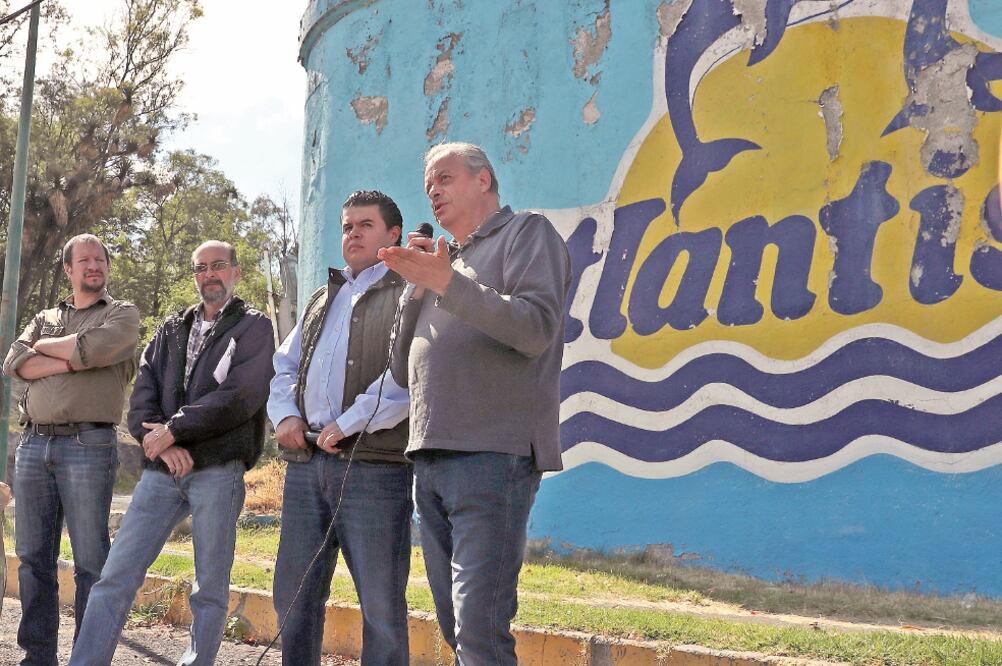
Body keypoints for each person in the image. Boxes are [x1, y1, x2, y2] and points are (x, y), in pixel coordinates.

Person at [379, 142, 571, 665]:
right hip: (430, 455)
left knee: (480, 627)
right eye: (428, 186)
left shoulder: (526, 233)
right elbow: (402, 369)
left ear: (483, 180)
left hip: (492, 457)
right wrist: (416, 290)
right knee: (455, 624)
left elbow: (535, 328)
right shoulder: (445, 261)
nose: (433, 192)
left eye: (444, 179)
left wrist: (446, 282)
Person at [68, 240, 274, 666]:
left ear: (235, 271)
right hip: (162, 474)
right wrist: (165, 445)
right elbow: (141, 399)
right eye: (201, 268)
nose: (210, 275)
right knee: (115, 577)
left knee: (209, 588)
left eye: (219, 266)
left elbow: (241, 397)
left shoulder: (254, 327)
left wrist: (175, 430)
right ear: (194, 275)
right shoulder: (170, 329)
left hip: (218, 470)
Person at [268, 190, 412, 665]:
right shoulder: (321, 295)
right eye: (347, 226)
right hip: (307, 466)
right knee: (293, 594)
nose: (352, 233)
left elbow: (406, 379)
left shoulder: (409, 291)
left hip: (374, 469)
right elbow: (285, 365)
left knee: (381, 606)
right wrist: (286, 415)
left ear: (392, 234)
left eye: (365, 225)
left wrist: (348, 424)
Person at [2, 233, 140, 666]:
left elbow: (99, 346)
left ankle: (89, 656)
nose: (94, 266)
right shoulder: (44, 316)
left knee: (91, 561)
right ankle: (38, 656)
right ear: (69, 269)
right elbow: (13, 361)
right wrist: (73, 359)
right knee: (32, 558)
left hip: (90, 443)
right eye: (84, 260)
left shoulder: (122, 313)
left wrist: (48, 352)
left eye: (100, 259)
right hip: (33, 443)